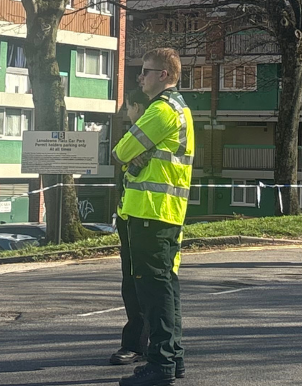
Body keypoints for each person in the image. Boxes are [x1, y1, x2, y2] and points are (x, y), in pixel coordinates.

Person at [112, 48, 194, 386]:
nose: (139, 77)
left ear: (163, 75)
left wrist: (134, 131)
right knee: (166, 289)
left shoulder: (161, 109)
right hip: (161, 213)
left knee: (154, 292)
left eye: (145, 71)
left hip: (151, 214)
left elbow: (121, 151)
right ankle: (172, 360)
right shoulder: (179, 108)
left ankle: (160, 366)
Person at [109, 90, 152, 367]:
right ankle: (142, 343)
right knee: (132, 283)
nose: (126, 114)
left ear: (137, 106)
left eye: (128, 108)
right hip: (130, 214)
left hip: (147, 216)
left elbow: (120, 152)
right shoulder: (138, 131)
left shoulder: (149, 127)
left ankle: (137, 344)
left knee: (141, 284)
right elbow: (120, 156)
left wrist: (126, 156)